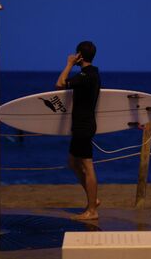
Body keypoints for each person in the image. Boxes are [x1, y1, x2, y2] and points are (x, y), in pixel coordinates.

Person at [55, 41, 101, 220]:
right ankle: (93, 199)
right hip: (82, 125)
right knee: (73, 163)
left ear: (80, 55)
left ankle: (92, 211)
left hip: (83, 126)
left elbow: (59, 83)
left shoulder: (86, 75)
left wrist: (68, 64)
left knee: (88, 166)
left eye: (76, 54)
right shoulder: (91, 73)